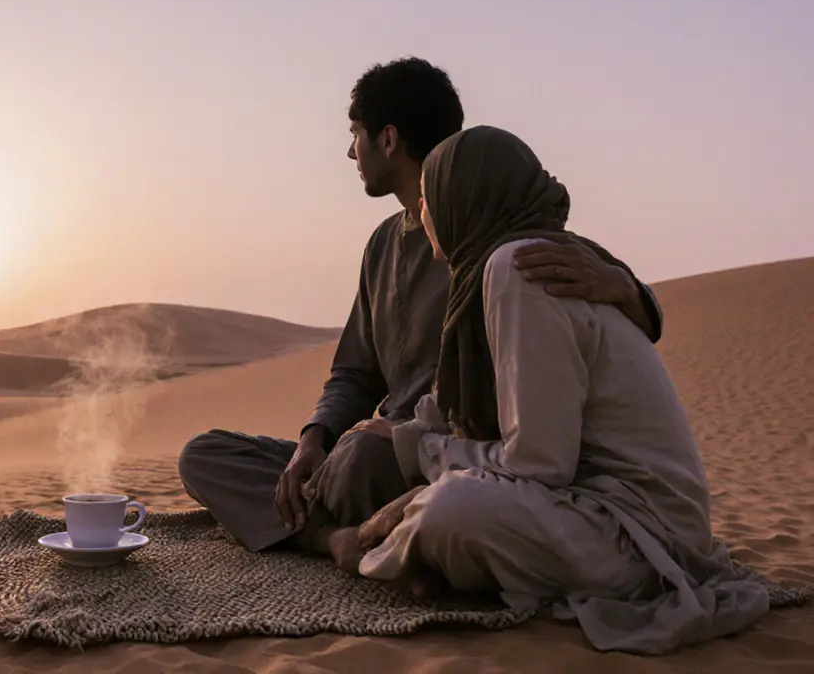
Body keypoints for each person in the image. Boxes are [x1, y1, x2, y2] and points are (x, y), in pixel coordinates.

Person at [177, 58, 666, 557]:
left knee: (364, 461)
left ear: (388, 140)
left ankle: (329, 532)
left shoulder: (495, 236)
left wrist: (629, 289)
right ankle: (342, 534)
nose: (351, 151)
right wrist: (314, 439)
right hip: (383, 444)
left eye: (356, 135)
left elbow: (590, 305)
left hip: (461, 459)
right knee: (206, 455)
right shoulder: (383, 245)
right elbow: (354, 372)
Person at [329, 124, 770, 654]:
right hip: (585, 504)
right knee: (398, 473)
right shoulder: (492, 271)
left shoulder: (515, 269)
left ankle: (374, 550)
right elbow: (460, 407)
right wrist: (408, 436)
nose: (422, 213)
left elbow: (540, 465)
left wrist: (423, 453)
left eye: (429, 196)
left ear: (461, 197)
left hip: (639, 535)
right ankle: (411, 555)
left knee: (451, 509)